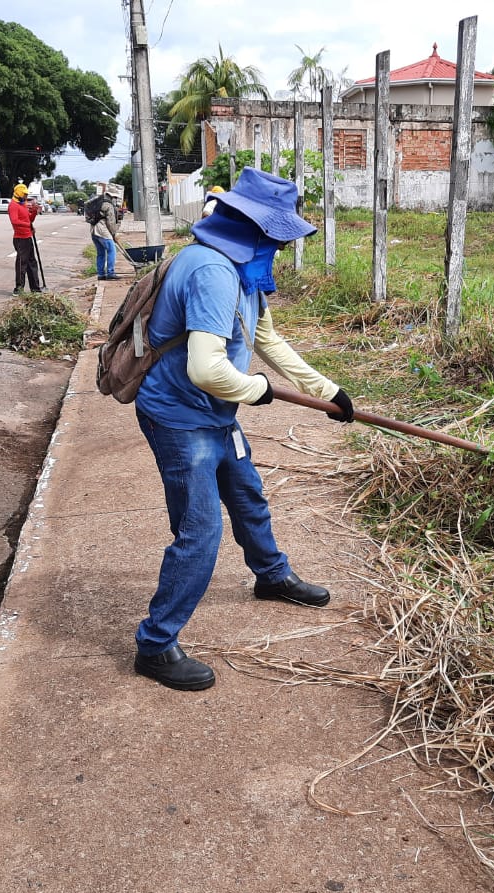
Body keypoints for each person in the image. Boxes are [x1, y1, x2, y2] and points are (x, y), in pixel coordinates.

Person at [131, 167, 356, 692]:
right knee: (200, 532)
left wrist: (326, 392)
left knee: (248, 496)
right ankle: (155, 645)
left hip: (215, 414)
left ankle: (271, 576)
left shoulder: (242, 270)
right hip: (180, 417)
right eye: (275, 234)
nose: (279, 245)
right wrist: (257, 390)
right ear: (250, 226)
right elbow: (206, 369)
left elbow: (267, 340)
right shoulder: (211, 271)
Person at [8, 183, 41, 295]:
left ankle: (35, 288)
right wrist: (28, 225)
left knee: (32, 263)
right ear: (19, 194)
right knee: (22, 264)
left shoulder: (23, 204)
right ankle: (19, 289)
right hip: (20, 238)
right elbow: (15, 221)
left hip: (28, 237)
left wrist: (34, 212)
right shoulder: (13, 205)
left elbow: (29, 219)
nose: (26, 197)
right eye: (24, 195)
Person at [92, 192, 120, 280]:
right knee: (112, 250)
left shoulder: (97, 203)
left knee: (101, 253)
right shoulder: (108, 205)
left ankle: (101, 274)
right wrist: (114, 233)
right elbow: (110, 222)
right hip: (102, 231)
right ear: (112, 197)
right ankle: (110, 272)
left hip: (93, 231)